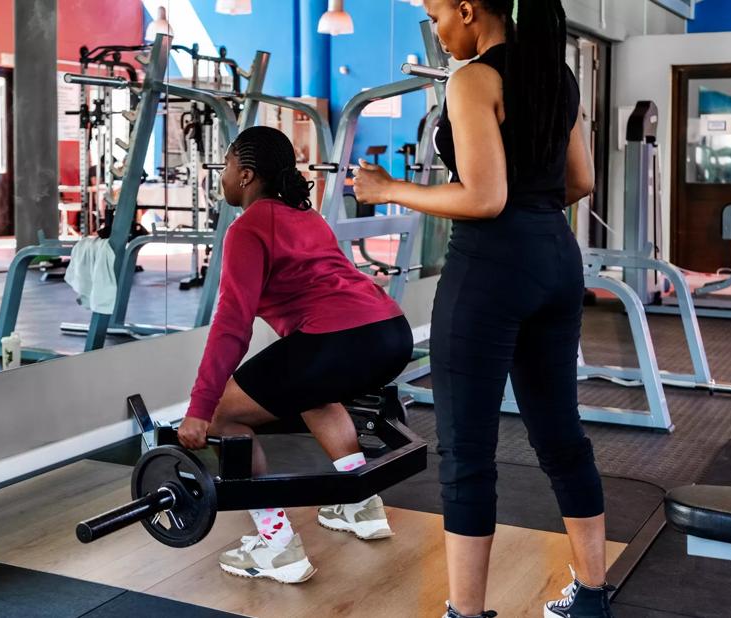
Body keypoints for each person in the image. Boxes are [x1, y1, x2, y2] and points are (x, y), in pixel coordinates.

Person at [353, 1, 609, 616]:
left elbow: (485, 197)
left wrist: (388, 189)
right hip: (555, 258)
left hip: (490, 271)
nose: (438, 33)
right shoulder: (556, 74)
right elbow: (581, 180)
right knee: (561, 435)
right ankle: (593, 599)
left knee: (467, 450)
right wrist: (533, 204)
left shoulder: (474, 79)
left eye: (438, 16)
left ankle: (466, 614)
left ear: (468, 11)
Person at [178, 126, 414, 584]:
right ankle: (361, 507)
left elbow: (231, 326)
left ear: (245, 175)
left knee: (227, 416)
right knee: (313, 391)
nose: (222, 174)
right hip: (391, 333)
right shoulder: (306, 217)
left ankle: (278, 546)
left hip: (339, 340)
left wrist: (200, 410)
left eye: (226, 165)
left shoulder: (247, 227)